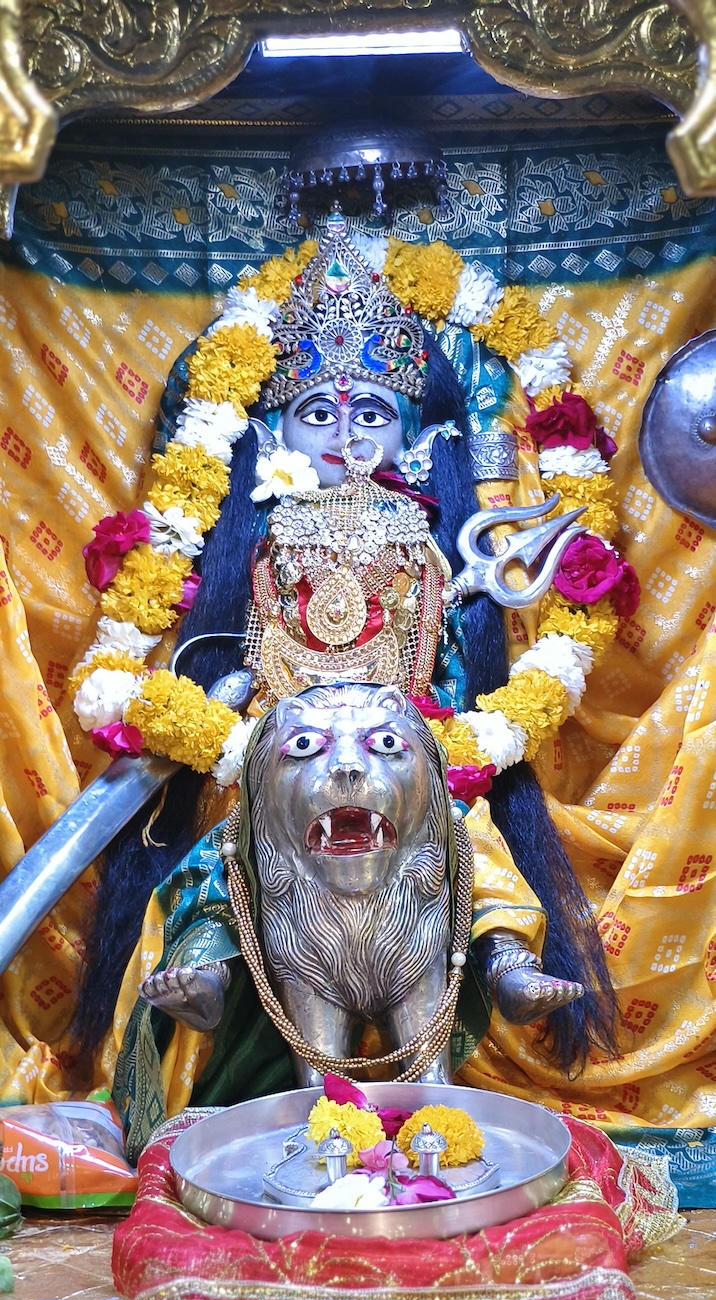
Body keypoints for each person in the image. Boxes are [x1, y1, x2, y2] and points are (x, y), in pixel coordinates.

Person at [69, 216, 616, 1147]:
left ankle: (505, 961)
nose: (346, 436)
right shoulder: (258, 537)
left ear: (410, 431)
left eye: (372, 413)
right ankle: (207, 970)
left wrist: (449, 735)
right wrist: (230, 718)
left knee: (473, 842)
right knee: (220, 863)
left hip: (405, 753)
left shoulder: (435, 546)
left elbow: (442, 663)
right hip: (280, 761)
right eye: (317, 414)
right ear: (274, 429)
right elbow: (237, 648)